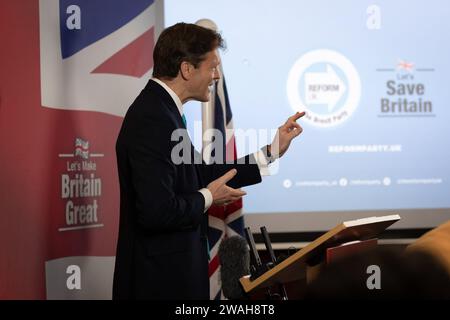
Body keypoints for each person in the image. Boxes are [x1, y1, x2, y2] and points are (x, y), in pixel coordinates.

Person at [113, 22, 305, 299]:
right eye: (212, 67)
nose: (216, 76)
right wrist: (207, 197)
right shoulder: (152, 117)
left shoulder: (163, 111)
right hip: (159, 284)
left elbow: (201, 173)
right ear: (186, 69)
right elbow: (156, 211)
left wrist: (270, 151)